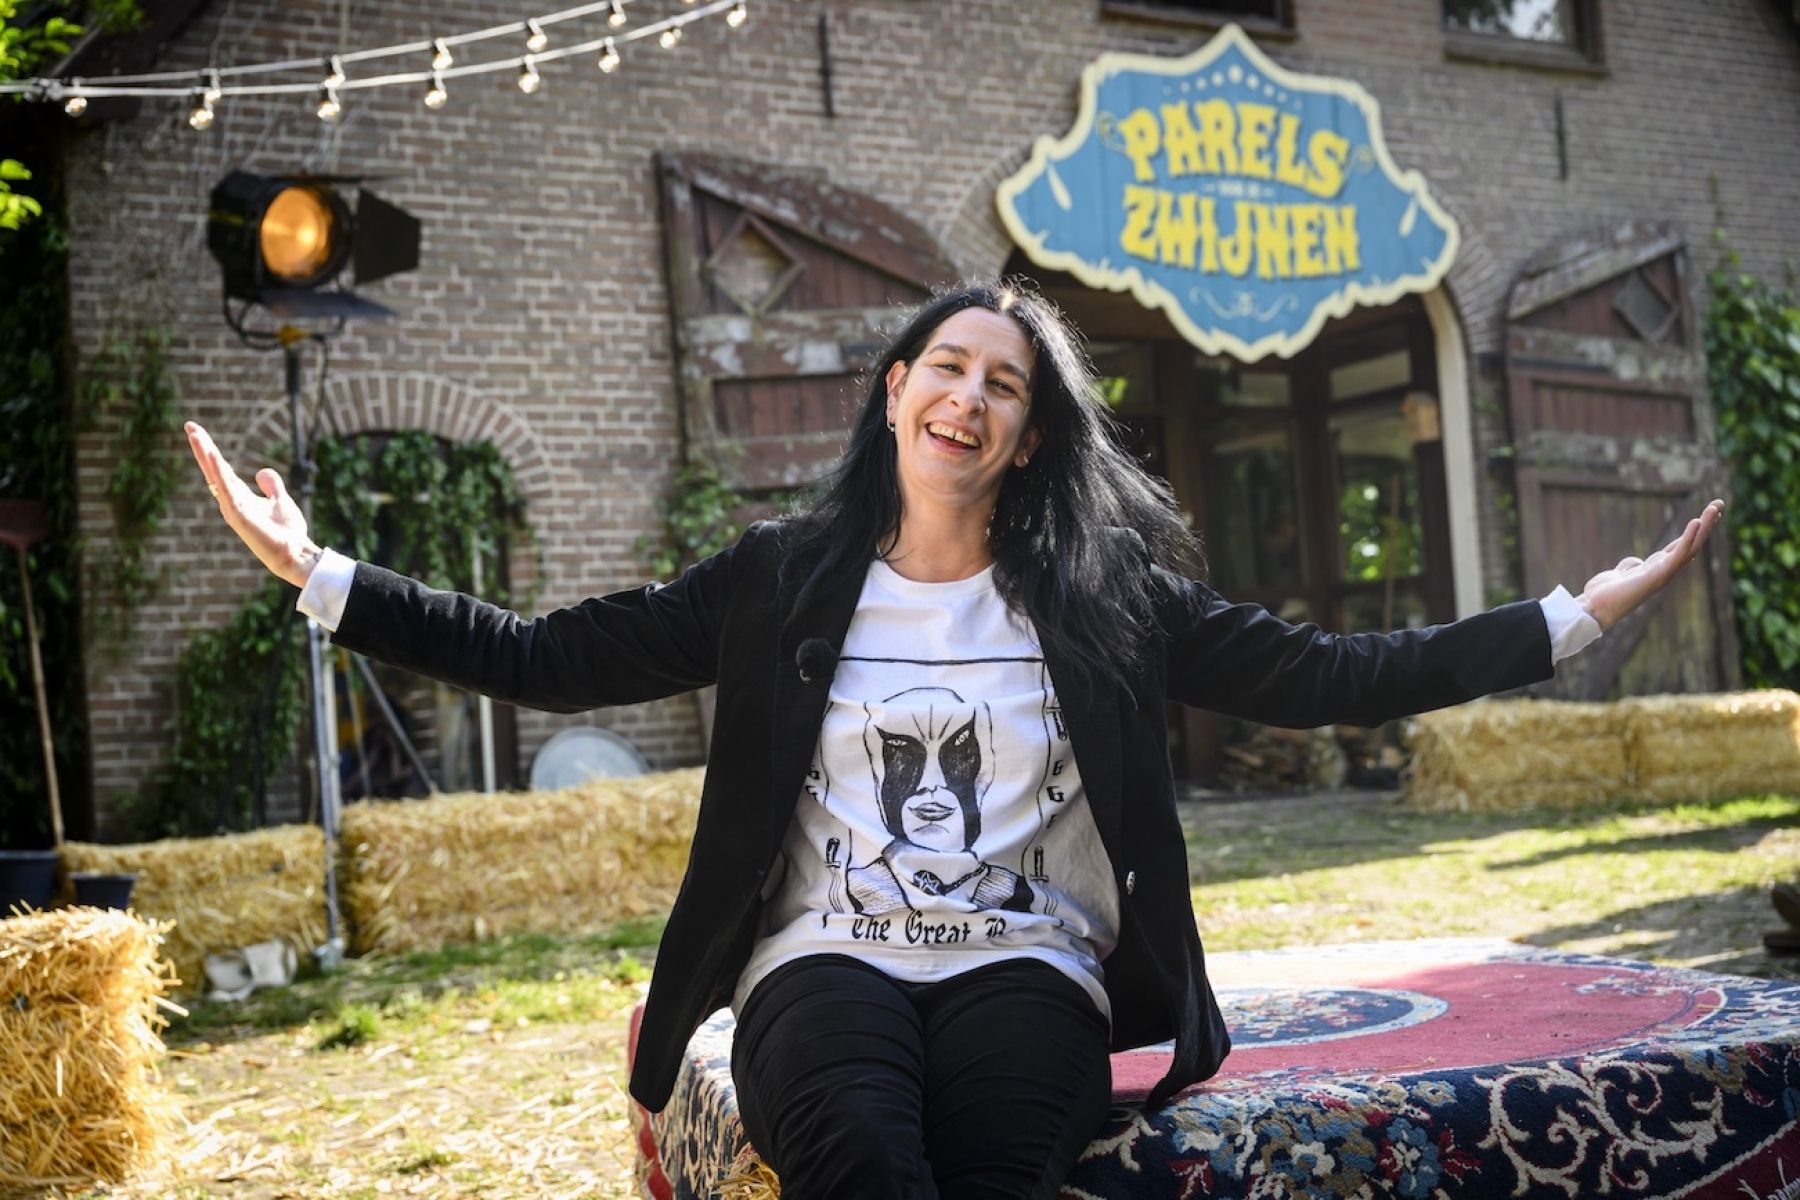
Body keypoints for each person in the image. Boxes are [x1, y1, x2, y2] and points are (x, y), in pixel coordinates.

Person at [185, 280, 1723, 1200]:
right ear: (894, 393)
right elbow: (546, 658)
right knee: (856, 1153)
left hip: (1026, 965)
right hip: (820, 958)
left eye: (1007, 384)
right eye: (949, 367)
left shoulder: (1108, 595)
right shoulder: (780, 574)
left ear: (1029, 434)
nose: (970, 397)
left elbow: (1336, 674)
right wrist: (322, 576)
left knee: (998, 1168)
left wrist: (1569, 617)